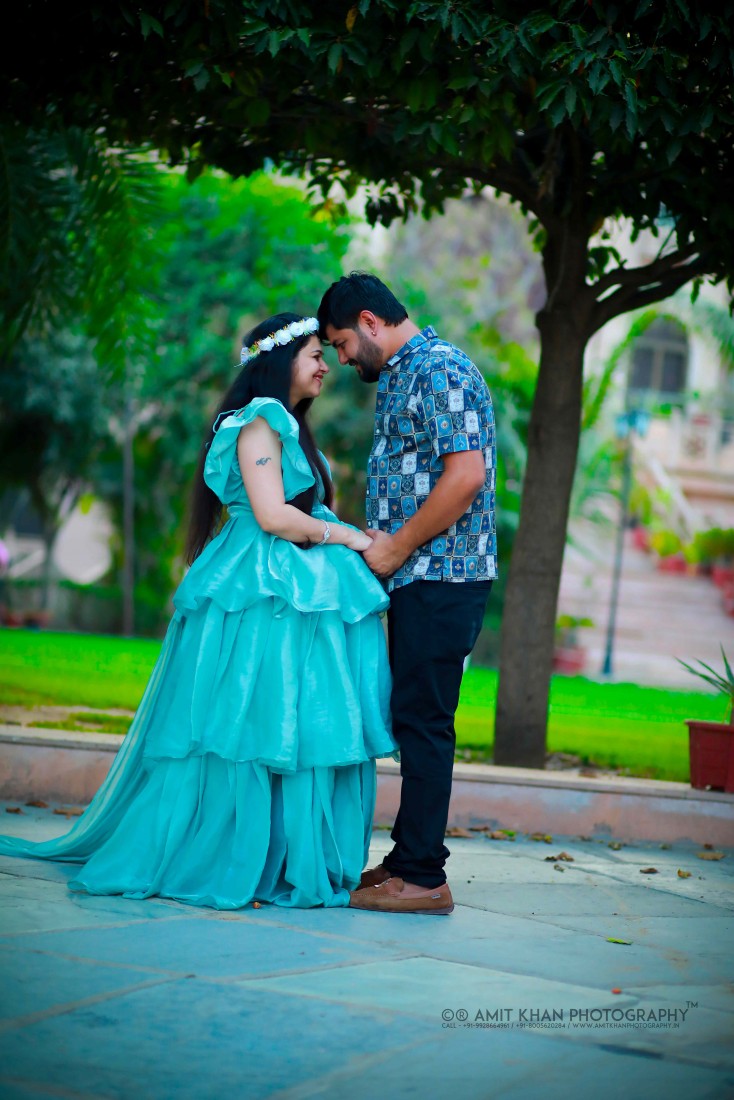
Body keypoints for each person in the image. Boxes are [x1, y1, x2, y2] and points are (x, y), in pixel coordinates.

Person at [0, 313, 397, 909]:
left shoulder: (287, 426)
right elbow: (272, 515)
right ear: (280, 360)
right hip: (259, 583)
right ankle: (236, 851)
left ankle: (284, 853)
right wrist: (349, 537)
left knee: (291, 716)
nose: (325, 366)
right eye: (316, 354)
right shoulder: (258, 422)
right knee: (248, 720)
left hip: (285, 580)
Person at [318, 274, 497, 916]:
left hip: (443, 576)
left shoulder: (440, 368)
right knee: (412, 717)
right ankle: (406, 859)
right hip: (420, 577)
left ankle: (423, 878)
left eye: (342, 344)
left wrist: (396, 547)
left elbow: (465, 477)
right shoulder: (404, 374)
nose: (342, 359)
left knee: (424, 723)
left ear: (369, 321)